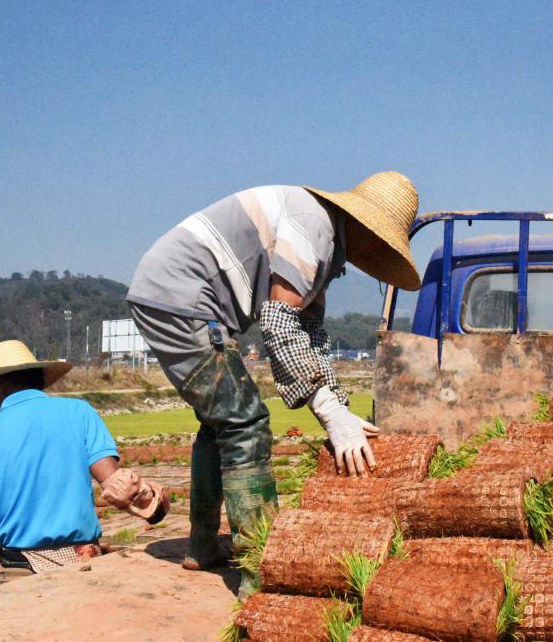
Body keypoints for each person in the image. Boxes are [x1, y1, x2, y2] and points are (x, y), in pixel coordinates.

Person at [126, 171, 421, 596]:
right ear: (366, 227)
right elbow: (279, 324)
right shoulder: (313, 226)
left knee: (220, 421)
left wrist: (338, 406)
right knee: (246, 422)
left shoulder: (327, 250)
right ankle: (260, 569)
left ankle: (204, 544)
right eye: (380, 241)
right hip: (181, 296)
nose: (376, 252)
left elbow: (311, 338)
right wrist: (328, 411)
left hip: (169, 291)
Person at [0, 339, 167, 573]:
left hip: (18, 568)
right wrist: (155, 507)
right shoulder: (78, 412)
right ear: (37, 378)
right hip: (81, 562)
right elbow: (120, 487)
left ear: (1, 386)